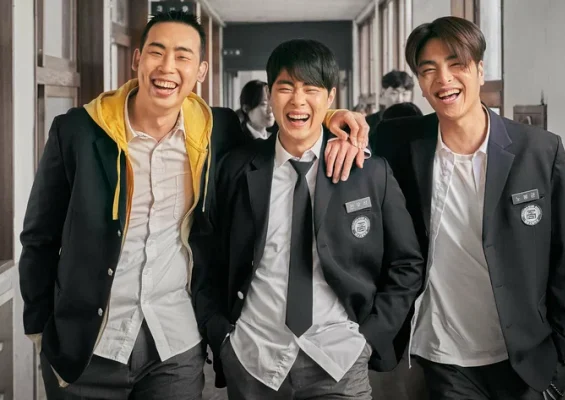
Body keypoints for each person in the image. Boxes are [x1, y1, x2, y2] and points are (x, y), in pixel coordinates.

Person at [18, 11, 370, 400]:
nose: (167, 67)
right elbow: (40, 235)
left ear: (201, 71)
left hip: (175, 346)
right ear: (137, 59)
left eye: (183, 56)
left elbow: (287, 137)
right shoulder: (78, 131)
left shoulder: (217, 131)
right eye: (157, 52)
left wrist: (333, 118)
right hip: (88, 346)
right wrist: (38, 327)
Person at [194, 39, 425, 400]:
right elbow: (205, 255)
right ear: (270, 95)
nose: (298, 101)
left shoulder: (368, 172)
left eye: (311, 89)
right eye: (285, 87)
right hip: (253, 357)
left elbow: (407, 264)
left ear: (331, 96)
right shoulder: (235, 169)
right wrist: (221, 334)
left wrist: (369, 338)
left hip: (340, 359)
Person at [374, 16, 565, 400]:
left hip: (525, 356)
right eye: (429, 70)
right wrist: (337, 121)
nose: (444, 79)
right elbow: (331, 139)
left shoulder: (539, 150)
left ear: (479, 69)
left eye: (456, 64)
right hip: (443, 357)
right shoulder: (399, 144)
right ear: (419, 82)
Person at [366, 70, 414, 147]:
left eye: (405, 94)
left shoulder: (417, 122)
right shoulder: (368, 123)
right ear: (383, 92)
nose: (400, 99)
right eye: (394, 93)